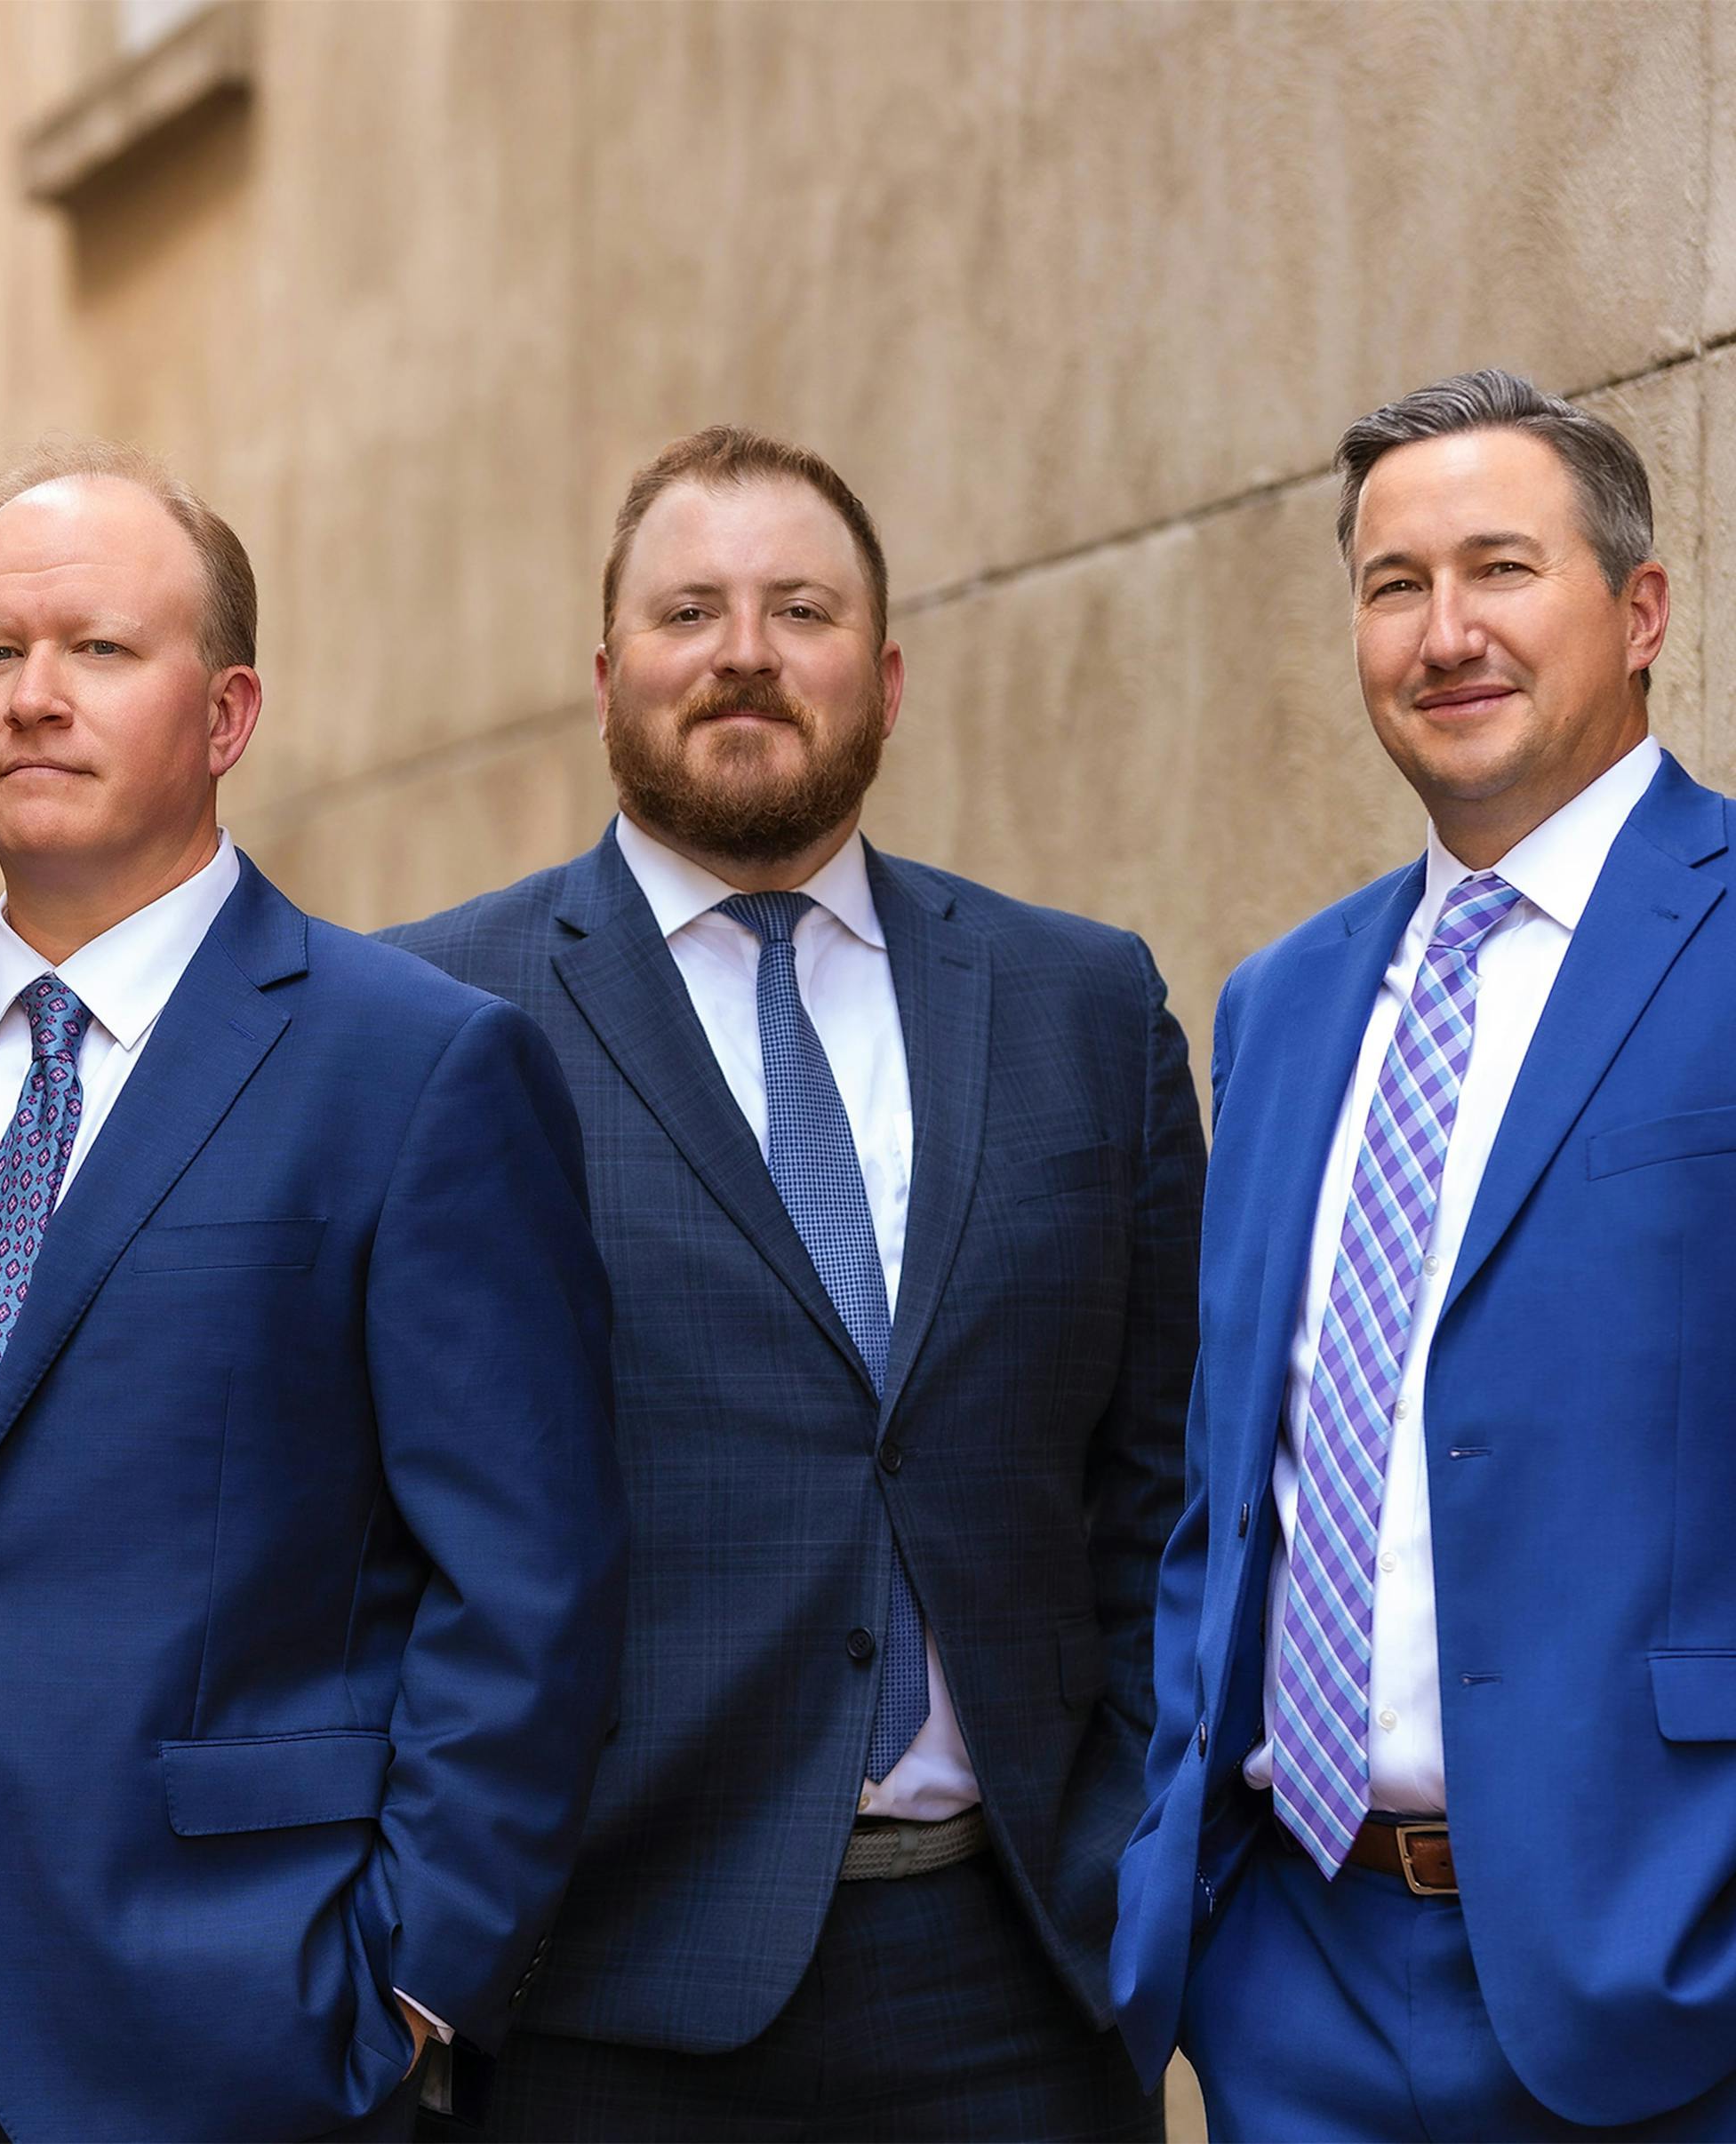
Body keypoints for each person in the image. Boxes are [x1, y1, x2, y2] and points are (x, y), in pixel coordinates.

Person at [0, 441, 626, 2141]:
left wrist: (409, 1985)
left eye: (98, 649)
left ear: (228, 714)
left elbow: (529, 1585)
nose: (34, 698)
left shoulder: (418, 1070)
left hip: (235, 2034)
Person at [387, 426, 1204, 2141]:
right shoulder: (430, 1029)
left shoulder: (1082, 1006)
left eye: (800, 609)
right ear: (606, 677)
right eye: (690, 611)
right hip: (606, 1997)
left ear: (887, 676)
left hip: (1023, 1980)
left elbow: (1163, 1489)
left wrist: (1137, 1858)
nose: (745, 652)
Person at [1114, 368, 1736, 2139]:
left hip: (1655, 1980)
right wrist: (1189, 1887)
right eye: (1394, 586)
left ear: (1636, 612)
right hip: (1289, 1982)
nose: (1443, 632)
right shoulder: (1285, 1005)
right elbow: (1227, 1484)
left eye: (1496, 570)